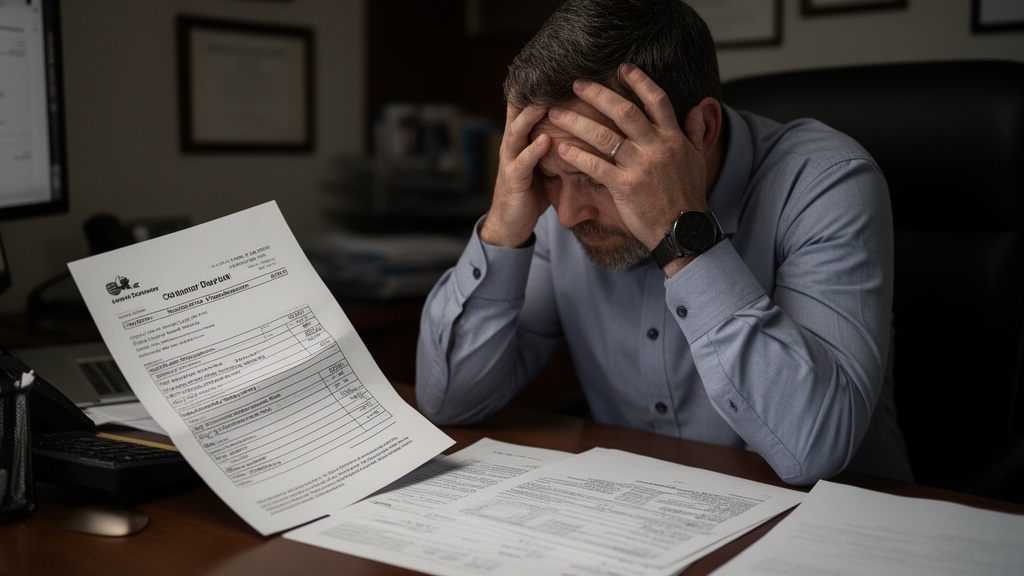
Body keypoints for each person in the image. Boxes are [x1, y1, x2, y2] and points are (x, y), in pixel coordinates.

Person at [415, 0, 913, 485]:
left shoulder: (827, 183)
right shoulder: (555, 208)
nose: (567, 215)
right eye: (551, 176)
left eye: (600, 177)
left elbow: (814, 448)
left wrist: (681, 232)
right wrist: (502, 229)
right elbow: (450, 402)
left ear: (702, 130)